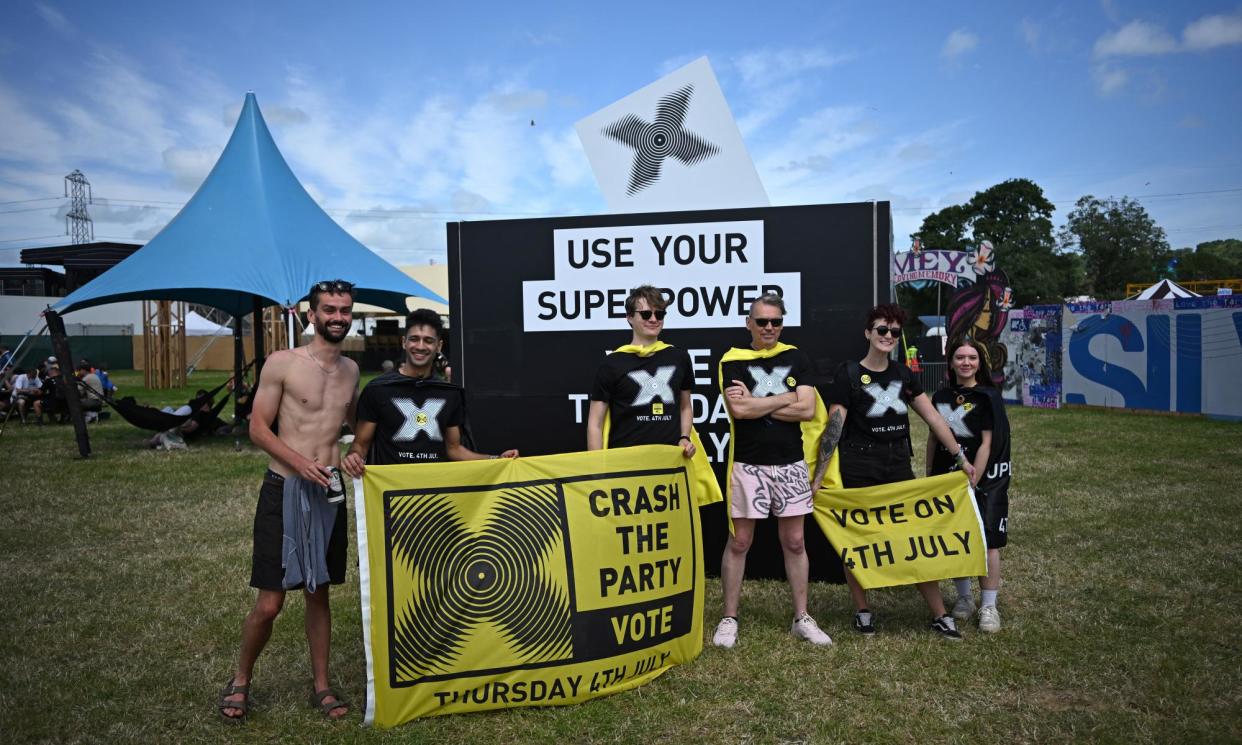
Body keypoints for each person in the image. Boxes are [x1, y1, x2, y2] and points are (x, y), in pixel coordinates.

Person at [219, 280, 360, 724]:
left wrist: (355, 451)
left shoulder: (352, 371)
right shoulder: (283, 363)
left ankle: (321, 685)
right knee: (270, 603)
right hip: (285, 488)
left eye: (344, 310)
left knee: (319, 593)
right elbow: (258, 429)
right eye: (329, 309)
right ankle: (240, 678)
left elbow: (349, 426)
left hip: (329, 492)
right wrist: (300, 463)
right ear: (310, 314)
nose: (338, 317)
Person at [811, 303, 977, 641]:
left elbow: (933, 418)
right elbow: (834, 427)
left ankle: (940, 616)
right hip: (859, 465)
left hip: (897, 464)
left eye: (895, 332)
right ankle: (862, 611)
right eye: (882, 330)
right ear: (868, 333)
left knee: (914, 539)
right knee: (855, 541)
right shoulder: (849, 374)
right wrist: (817, 478)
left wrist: (961, 458)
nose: (888, 336)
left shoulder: (903, 375)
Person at [712, 293, 832, 648]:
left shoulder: (796, 357)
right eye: (761, 321)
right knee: (740, 540)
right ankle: (729, 617)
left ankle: (802, 617)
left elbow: (808, 410)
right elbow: (740, 412)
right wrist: (786, 398)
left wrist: (759, 402)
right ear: (748, 323)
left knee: (795, 541)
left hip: (791, 463)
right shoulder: (733, 360)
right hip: (748, 463)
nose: (769, 328)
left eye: (775, 321)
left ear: (783, 323)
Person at [342, 308, 518, 475]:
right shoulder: (378, 390)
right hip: (390, 494)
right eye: (414, 339)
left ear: (439, 345)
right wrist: (353, 457)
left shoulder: (450, 394)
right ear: (404, 342)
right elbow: (360, 444)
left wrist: (496, 459)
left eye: (428, 340)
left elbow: (455, 450)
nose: (420, 346)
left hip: (435, 496)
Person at [927, 339, 1011, 633]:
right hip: (946, 478)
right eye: (960, 357)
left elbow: (988, 442)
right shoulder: (940, 396)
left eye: (972, 357)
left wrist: (975, 477)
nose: (965, 362)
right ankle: (964, 599)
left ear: (980, 362)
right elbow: (935, 438)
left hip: (978, 478)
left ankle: (989, 605)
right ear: (950, 362)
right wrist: (930, 474)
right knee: (955, 538)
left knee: (986, 540)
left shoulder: (987, 396)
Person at [586, 285, 695, 458]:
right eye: (646, 314)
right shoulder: (612, 363)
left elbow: (685, 406)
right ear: (629, 317)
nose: (653, 319)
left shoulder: (679, 358)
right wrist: (596, 469)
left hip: (671, 462)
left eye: (659, 314)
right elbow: (595, 423)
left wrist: (684, 437)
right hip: (625, 465)